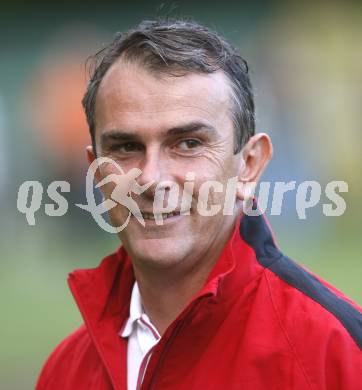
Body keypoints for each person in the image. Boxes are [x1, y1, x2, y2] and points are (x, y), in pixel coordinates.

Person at [36, 19, 362, 390]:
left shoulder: (336, 354)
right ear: (95, 172)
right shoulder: (65, 372)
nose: (151, 178)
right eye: (126, 147)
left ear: (249, 165)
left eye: (188, 144)